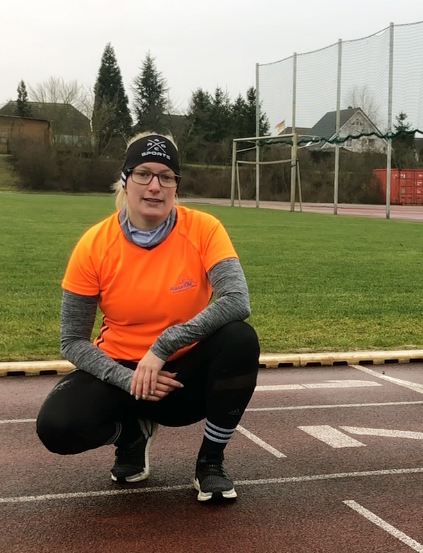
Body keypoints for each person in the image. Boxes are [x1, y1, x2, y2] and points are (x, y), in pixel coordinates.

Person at [36, 132, 260, 502]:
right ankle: (131, 435)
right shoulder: (94, 245)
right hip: (121, 375)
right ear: (125, 180)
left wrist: (163, 347)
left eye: (166, 176)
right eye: (143, 174)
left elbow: (237, 300)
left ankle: (211, 461)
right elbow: (72, 340)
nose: (155, 186)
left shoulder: (204, 228)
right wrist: (128, 380)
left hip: (182, 377)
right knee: (56, 427)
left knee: (240, 339)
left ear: (175, 186)